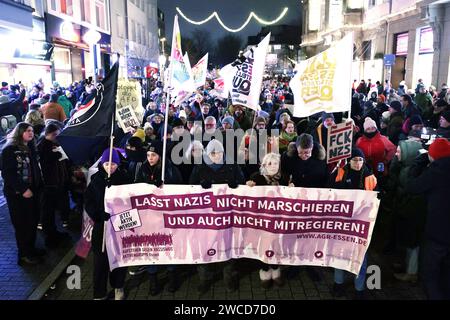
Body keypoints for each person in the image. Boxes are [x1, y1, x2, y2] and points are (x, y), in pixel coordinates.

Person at [189, 139, 245, 294]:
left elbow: (244, 186)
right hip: (205, 217)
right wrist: (200, 185)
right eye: (213, 153)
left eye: (219, 153)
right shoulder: (200, 167)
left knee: (227, 246)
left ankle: (229, 278)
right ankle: (204, 280)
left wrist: (237, 184)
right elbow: (189, 188)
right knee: (204, 248)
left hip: (227, 217)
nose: (216, 156)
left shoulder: (232, 165)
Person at [135, 140, 183, 295]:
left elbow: (180, 189)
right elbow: (136, 189)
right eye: (148, 155)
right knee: (151, 246)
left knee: (169, 245)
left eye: (154, 155)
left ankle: (172, 275)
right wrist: (149, 185)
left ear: (160, 156)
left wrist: (166, 186)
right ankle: (153, 278)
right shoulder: (142, 169)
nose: (150, 158)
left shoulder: (170, 169)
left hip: (167, 216)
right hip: (149, 217)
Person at [329, 148, 377, 299]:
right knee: (339, 253)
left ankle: (360, 288)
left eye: (360, 160)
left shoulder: (370, 177)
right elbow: (330, 190)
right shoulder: (341, 172)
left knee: (361, 257)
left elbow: (376, 197)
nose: (357, 163)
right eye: (355, 160)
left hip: (361, 223)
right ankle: (338, 283)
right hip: (342, 222)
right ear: (349, 161)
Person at [406, 138, 450, 299]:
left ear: (432, 156)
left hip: (438, 234)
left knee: (430, 275)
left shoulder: (437, 171)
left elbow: (413, 186)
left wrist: (418, 163)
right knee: (446, 277)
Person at [85, 148, 130, 300]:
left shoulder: (125, 178)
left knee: (118, 260)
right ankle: (99, 292)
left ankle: (118, 287)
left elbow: (131, 199)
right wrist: (98, 215)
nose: (109, 167)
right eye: (106, 164)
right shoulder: (96, 179)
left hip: (119, 227)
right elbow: (88, 202)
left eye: (113, 164)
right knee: (100, 262)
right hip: (101, 227)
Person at [1, 123, 45, 266]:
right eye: (27, 131)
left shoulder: (29, 147)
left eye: (31, 130)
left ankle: (30, 249)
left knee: (32, 221)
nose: (30, 133)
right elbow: (9, 174)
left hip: (32, 191)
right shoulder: (9, 150)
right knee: (22, 224)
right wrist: (22, 189)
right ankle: (24, 255)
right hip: (17, 195)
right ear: (19, 132)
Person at [246, 153, 288, 288]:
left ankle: (276, 271)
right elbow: (245, 196)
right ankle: (265, 271)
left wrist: (292, 189)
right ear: (264, 165)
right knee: (263, 246)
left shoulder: (285, 178)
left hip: (278, 221)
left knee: (276, 245)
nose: (273, 166)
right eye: (269, 163)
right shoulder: (256, 178)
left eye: (275, 164)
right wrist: (248, 186)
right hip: (261, 222)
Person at [387, 140, 426, 283]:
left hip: (412, 213)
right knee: (407, 241)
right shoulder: (407, 167)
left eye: (399, 151)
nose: (396, 153)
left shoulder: (411, 172)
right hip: (406, 211)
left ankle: (411, 273)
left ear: (408, 154)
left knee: (412, 244)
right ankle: (407, 266)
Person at [37, 123, 72, 246]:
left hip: (59, 180)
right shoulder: (42, 146)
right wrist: (57, 155)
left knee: (53, 208)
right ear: (49, 134)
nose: (57, 136)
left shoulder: (54, 144)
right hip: (49, 183)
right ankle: (50, 236)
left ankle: (53, 232)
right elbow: (45, 162)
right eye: (55, 134)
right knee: (48, 210)